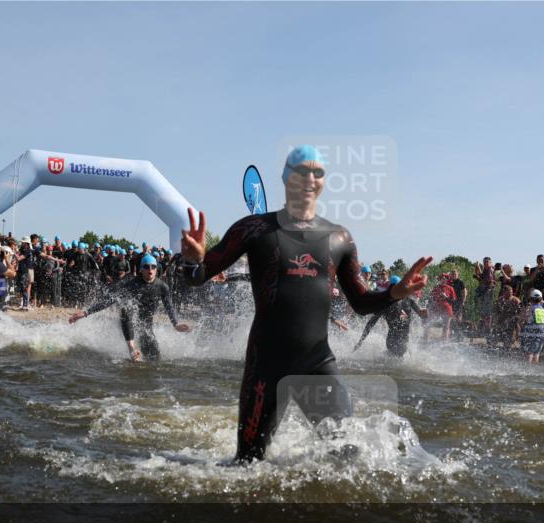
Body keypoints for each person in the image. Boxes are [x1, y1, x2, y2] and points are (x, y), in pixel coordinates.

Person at [180, 144, 430, 462]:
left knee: (347, 455)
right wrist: (192, 261)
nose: (310, 178)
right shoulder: (253, 229)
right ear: (286, 177)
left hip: (318, 362)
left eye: (318, 172)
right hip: (266, 365)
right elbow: (197, 277)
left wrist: (394, 294)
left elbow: (361, 302)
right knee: (247, 464)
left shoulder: (340, 238)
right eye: (302, 170)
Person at [69, 253, 190, 361]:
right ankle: (131, 348)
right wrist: (85, 313)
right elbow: (110, 300)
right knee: (126, 308)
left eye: (153, 267)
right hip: (128, 321)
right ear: (141, 269)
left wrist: (176, 324)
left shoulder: (162, 287)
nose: (150, 270)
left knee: (155, 359)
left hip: (145, 323)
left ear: (156, 269)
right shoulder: (130, 284)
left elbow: (169, 306)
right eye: (146, 267)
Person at [354, 275, 428, 357]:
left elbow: (422, 315)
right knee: (397, 358)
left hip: (404, 338)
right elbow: (372, 322)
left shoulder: (409, 300)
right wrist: (361, 341)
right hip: (392, 340)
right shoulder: (385, 304)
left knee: (398, 357)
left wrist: (424, 314)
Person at [520, 288, 544, 364]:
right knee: (537, 353)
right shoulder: (543, 310)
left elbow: (524, 319)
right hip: (543, 334)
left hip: (531, 334)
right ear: (541, 299)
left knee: (529, 353)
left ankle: (528, 368)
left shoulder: (530, 309)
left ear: (530, 299)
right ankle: (535, 369)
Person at [473, 257, 496, 334]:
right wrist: (477, 267)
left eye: (487, 262)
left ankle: (487, 329)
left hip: (488, 292)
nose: (486, 263)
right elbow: (481, 276)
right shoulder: (486, 270)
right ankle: (484, 328)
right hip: (484, 292)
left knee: (488, 312)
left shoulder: (490, 269)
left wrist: (479, 276)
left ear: (490, 263)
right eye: (484, 262)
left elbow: (486, 279)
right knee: (483, 312)